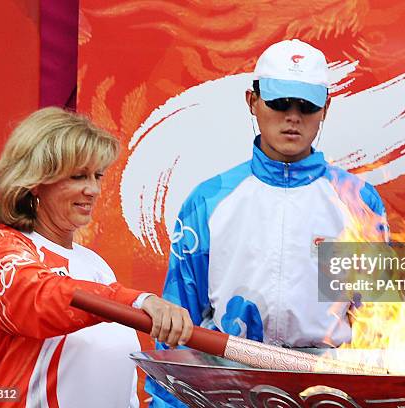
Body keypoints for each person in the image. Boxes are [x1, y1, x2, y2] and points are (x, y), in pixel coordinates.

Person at [145, 39, 387, 406]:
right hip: (230, 385)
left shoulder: (358, 200)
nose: (293, 116)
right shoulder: (208, 200)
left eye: (307, 105)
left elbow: (376, 316)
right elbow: (179, 318)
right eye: (279, 102)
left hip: (326, 390)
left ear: (326, 108)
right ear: (252, 101)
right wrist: (169, 401)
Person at [0, 107, 193, 408]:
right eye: (78, 176)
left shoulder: (96, 265)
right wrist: (138, 300)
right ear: (36, 180)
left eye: (97, 175)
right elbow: (38, 300)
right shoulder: (2, 249)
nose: (94, 189)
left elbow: (116, 376)